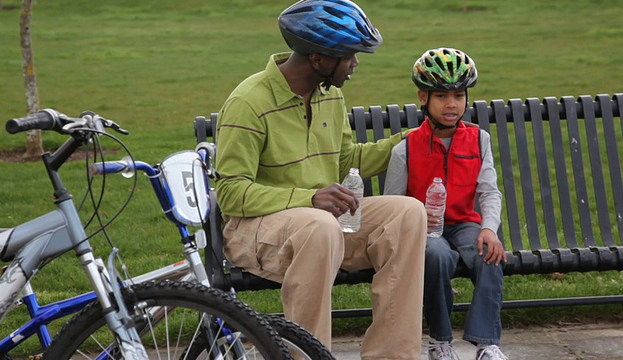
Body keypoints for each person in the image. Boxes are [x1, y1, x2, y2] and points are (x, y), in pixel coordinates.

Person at [213, 0, 427, 359]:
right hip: (255, 232)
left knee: (407, 214)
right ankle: (308, 355)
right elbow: (230, 192)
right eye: (349, 56)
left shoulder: (331, 95)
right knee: (318, 226)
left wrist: (408, 142)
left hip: (323, 226)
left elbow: (346, 160)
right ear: (318, 58)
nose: (355, 64)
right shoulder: (249, 102)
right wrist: (310, 198)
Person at [384, 48, 508, 360]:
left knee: (490, 254)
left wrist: (489, 229)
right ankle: (440, 341)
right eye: (441, 96)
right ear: (423, 98)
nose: (451, 104)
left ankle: (486, 344)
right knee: (436, 255)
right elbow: (393, 206)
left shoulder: (479, 140)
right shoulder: (405, 149)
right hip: (424, 230)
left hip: (465, 224)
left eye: (458, 95)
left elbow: (489, 192)